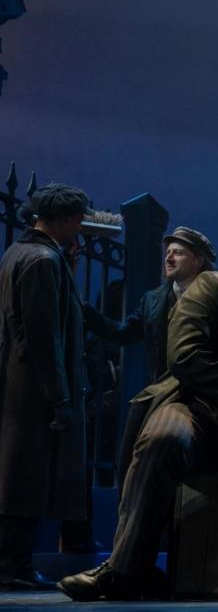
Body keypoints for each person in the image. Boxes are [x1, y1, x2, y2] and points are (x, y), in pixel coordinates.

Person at [58, 212, 218, 601]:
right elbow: (186, 358)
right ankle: (124, 569)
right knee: (164, 435)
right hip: (193, 406)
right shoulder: (215, 287)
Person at [0, 185, 92, 590]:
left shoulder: (21, 252)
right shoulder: (41, 260)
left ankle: (14, 563)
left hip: (21, 381)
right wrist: (61, 398)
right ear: (67, 219)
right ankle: (14, 565)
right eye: (77, 219)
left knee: (20, 472)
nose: (80, 226)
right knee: (27, 476)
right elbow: (43, 336)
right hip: (35, 387)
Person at [83, 226, 217, 487]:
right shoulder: (154, 299)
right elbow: (124, 333)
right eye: (168, 252)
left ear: (199, 260)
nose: (169, 258)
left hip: (204, 390)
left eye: (178, 253)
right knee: (133, 450)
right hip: (163, 387)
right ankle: (128, 507)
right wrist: (88, 314)